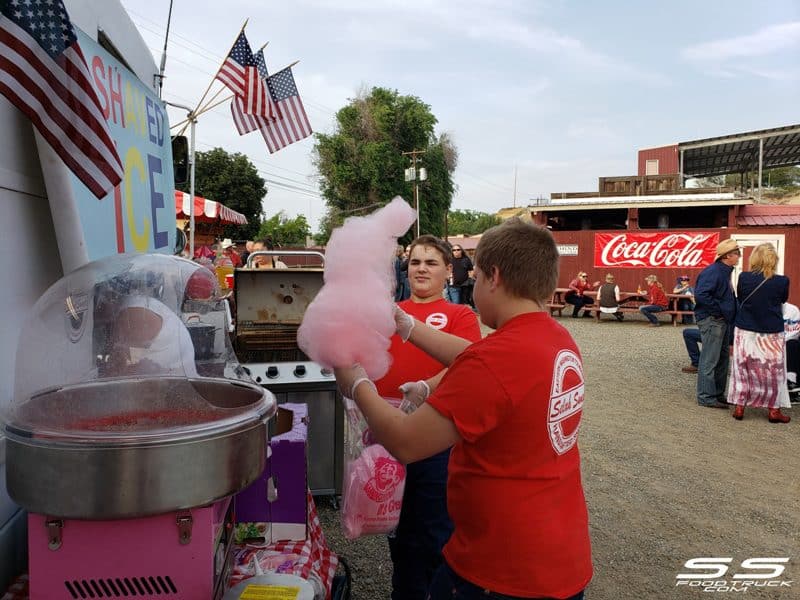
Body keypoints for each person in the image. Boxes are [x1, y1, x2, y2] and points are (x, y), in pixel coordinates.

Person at [335, 219, 592, 600]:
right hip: (557, 550)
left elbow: (406, 441)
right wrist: (408, 326)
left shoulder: (497, 360)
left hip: (499, 570)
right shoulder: (552, 336)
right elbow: (480, 356)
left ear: (494, 277)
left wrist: (355, 382)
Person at [374, 235, 481, 600]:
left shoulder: (461, 315)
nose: (421, 268)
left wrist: (426, 387)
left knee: (434, 530)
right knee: (397, 530)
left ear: (449, 271)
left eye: (431, 262)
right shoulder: (389, 311)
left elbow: (468, 362)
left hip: (437, 441)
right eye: (415, 262)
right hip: (387, 438)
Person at [728, 243, 791, 423]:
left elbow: (741, 298)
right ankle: (773, 410)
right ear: (774, 260)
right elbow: (783, 300)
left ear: (754, 258)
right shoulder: (782, 281)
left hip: (745, 329)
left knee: (743, 368)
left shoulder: (744, 277)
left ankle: (740, 407)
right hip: (771, 333)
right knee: (772, 371)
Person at [694, 238, 740, 409]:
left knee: (722, 359)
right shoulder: (714, 272)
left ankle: (716, 394)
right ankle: (706, 396)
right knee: (710, 359)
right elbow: (701, 295)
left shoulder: (721, 271)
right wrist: (718, 312)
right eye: (737, 253)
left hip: (720, 320)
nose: (739, 257)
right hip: (714, 320)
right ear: (727, 256)